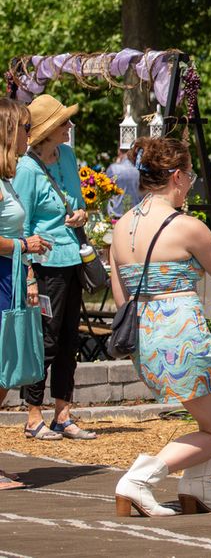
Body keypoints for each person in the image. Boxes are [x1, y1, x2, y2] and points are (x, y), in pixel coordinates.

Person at [110, 137, 211, 516]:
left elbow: (121, 297)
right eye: (188, 176)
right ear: (176, 176)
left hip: (144, 339)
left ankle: (197, 484)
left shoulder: (121, 227)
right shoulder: (188, 227)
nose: (190, 183)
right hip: (184, 340)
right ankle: (140, 479)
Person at [13, 94, 95, 441]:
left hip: (73, 257)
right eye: (64, 122)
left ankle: (63, 411)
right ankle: (33, 415)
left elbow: (76, 203)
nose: (70, 127)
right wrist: (30, 274)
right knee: (44, 339)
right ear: (47, 131)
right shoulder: (27, 169)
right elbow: (22, 224)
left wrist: (81, 214)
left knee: (68, 339)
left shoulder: (69, 155)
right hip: (45, 265)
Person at [0, 99, 54, 486]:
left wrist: (29, 274)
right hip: (1, 279)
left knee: (4, 374)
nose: (27, 135)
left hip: (13, 278)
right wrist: (24, 248)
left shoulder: (7, 180)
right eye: (22, 127)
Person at [107, 145, 142, 218]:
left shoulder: (114, 168)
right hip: (136, 215)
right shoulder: (140, 170)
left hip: (116, 215)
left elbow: (106, 191)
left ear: (119, 151)